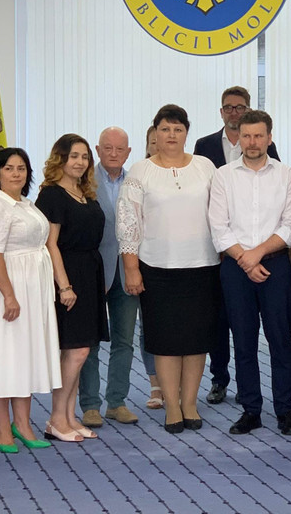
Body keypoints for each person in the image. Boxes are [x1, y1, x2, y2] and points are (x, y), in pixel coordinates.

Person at [118, 105, 221, 433]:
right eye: (165, 129)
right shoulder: (140, 171)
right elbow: (129, 223)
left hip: (203, 266)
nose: (171, 135)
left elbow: (221, 213)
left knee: (196, 340)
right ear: (155, 134)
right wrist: (131, 268)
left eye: (178, 129)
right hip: (156, 267)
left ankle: (190, 402)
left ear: (186, 133)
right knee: (165, 340)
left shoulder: (205, 167)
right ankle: (172, 407)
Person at [209, 109, 291, 436]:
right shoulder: (223, 175)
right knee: (244, 342)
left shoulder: (286, 175)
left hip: (274, 264)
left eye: (258, 135)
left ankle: (285, 411)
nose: (252, 142)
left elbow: (290, 226)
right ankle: (251, 410)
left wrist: (257, 254)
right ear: (239, 138)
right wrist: (244, 259)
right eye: (246, 136)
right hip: (235, 268)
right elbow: (218, 228)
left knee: (280, 340)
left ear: (269, 137)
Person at [194, 86, 280, 405]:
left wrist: (252, 254)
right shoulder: (203, 146)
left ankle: (275, 398)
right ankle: (219, 379)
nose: (234, 112)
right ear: (221, 112)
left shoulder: (268, 152)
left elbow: (277, 199)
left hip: (261, 253)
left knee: (263, 331)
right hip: (219, 250)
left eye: (240, 107)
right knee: (219, 321)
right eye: (228, 107)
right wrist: (235, 251)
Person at [0, 148, 61, 453]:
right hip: (10, 287)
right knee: (7, 356)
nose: (16, 173)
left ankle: (23, 423)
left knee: (25, 354)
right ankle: (2, 426)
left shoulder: (25, 204)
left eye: (22, 168)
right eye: (9, 168)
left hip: (33, 287)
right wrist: (9, 295)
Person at [36, 134, 109, 443]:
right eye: (73, 156)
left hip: (89, 274)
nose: (79, 162)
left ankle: (68, 416)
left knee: (80, 350)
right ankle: (55, 418)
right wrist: (64, 286)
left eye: (84, 157)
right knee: (75, 350)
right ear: (60, 159)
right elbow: (50, 244)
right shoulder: (51, 195)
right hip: (67, 276)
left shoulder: (84, 192)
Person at [79, 127, 140, 428]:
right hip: (92, 271)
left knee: (124, 340)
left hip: (129, 270)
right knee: (89, 341)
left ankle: (117, 401)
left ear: (128, 152)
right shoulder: (82, 182)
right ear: (98, 150)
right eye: (108, 148)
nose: (113, 153)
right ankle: (90, 405)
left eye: (120, 149)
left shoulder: (139, 181)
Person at [140, 124, 163, 410]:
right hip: (145, 262)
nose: (159, 145)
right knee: (149, 327)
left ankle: (178, 385)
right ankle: (155, 384)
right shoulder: (139, 173)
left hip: (177, 263)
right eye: (153, 142)